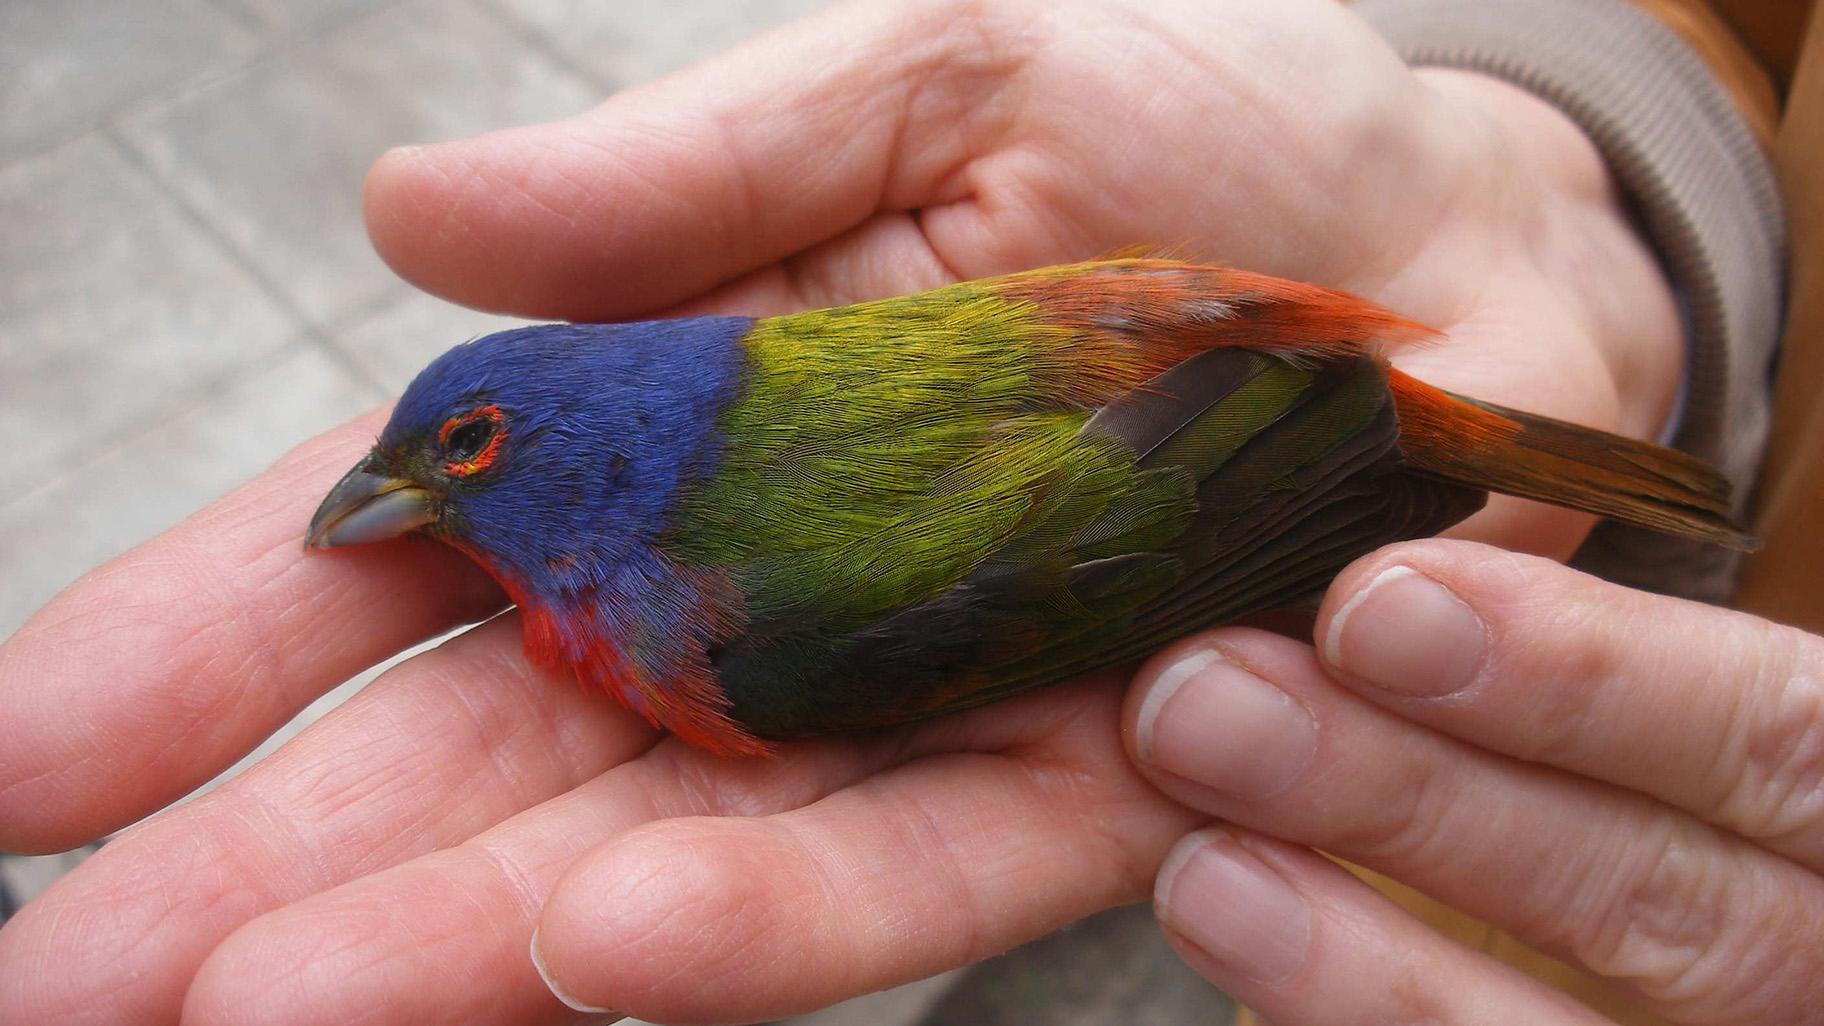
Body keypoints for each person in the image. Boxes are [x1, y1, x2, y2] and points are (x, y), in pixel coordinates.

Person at [0, 1, 1810, 1024]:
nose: (400, 491)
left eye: (454, 450)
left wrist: (1415, 440)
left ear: (563, 438)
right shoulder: (727, 413)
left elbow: (1131, 565)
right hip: (1251, 415)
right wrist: (1602, 174)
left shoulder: (748, 624)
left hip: (1253, 497)